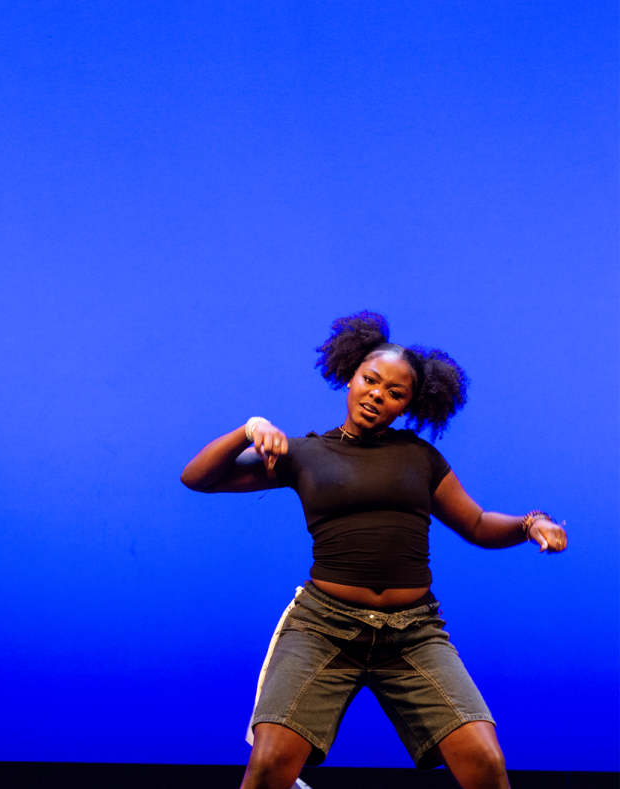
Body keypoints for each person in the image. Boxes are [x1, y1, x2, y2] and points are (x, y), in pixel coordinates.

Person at [180, 311, 566, 789]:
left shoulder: (420, 458)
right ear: (350, 377)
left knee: (485, 762)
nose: (378, 394)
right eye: (370, 380)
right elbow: (197, 478)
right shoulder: (302, 454)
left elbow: (479, 524)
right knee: (268, 768)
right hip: (324, 627)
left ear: (407, 406)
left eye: (395, 393)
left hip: (415, 634)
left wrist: (532, 523)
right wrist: (249, 429)